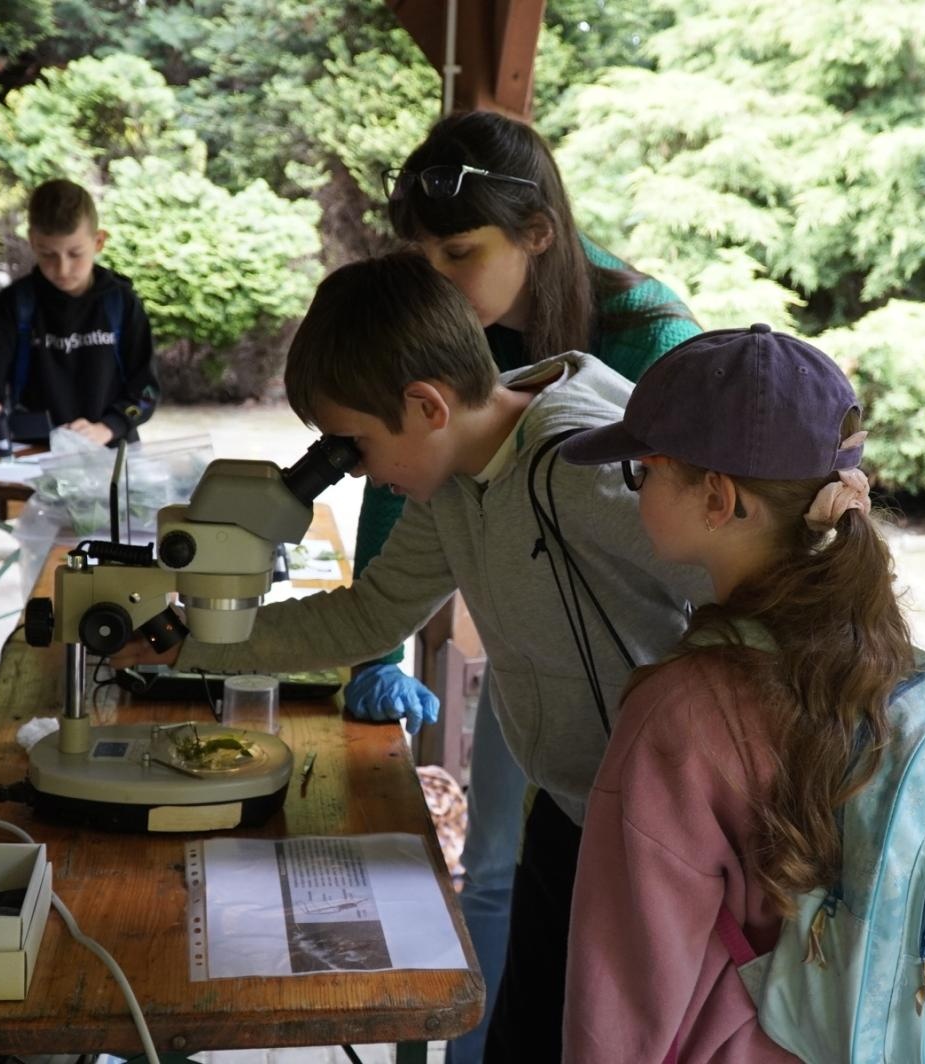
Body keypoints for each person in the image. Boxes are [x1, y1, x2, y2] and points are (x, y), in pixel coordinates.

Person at [244, 250, 706, 1062]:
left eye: (352, 446)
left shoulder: (580, 466)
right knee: (521, 1036)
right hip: (574, 812)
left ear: (424, 405)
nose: (355, 472)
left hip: (665, 837)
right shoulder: (461, 471)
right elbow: (373, 613)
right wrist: (203, 640)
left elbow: (747, 580)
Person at [359, 110, 699, 1062]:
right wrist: (376, 647)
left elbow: (728, 523)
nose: (440, 283)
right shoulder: (453, 322)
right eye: (421, 258)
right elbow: (403, 471)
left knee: (633, 915)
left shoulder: (654, 334)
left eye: (459, 254)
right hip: (535, 660)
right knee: (499, 873)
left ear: (538, 233)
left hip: (662, 689)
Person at [557, 324, 912, 1062]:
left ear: (716, 497)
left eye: (641, 472)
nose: (637, 489)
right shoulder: (878, 651)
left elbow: (626, 990)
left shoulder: (681, 713)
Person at [0, 178, 159, 447]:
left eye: (75, 254)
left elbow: (146, 391)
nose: (62, 269)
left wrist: (108, 427)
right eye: (48, 254)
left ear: (98, 241)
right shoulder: (15, 304)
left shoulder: (121, 303)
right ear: (32, 242)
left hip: (111, 455)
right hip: (34, 456)